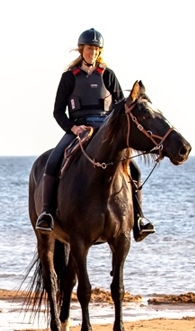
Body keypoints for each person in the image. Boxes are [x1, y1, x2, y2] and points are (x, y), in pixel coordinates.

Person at [35, 28, 155, 241]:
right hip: (79, 129)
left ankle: (139, 219)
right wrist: (72, 128)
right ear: (82, 50)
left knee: (133, 169)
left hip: (106, 131)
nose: (93, 52)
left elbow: (121, 107)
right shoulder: (69, 78)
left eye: (96, 49)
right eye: (89, 48)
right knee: (52, 162)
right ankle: (46, 214)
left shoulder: (107, 75)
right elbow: (57, 111)